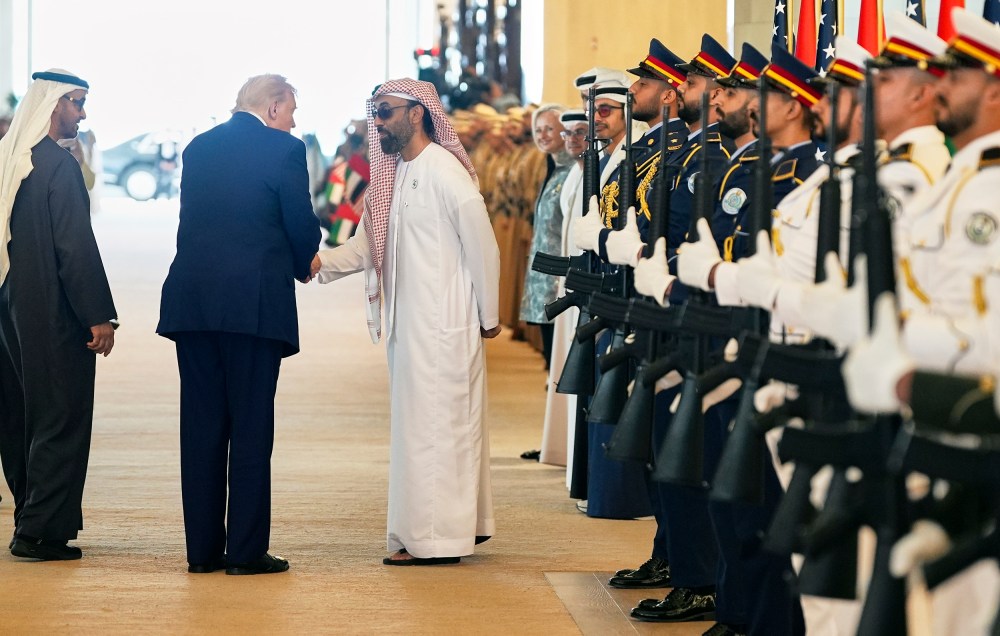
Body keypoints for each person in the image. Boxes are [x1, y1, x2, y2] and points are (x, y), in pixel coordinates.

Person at [311, 78, 501, 565]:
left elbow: (483, 245)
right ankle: (447, 528)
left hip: (444, 324)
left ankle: (436, 540)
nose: (377, 122)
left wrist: (489, 314)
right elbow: (365, 247)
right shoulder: (392, 175)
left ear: (417, 113)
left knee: (438, 431)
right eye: (375, 112)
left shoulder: (444, 171)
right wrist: (315, 263)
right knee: (419, 432)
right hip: (408, 327)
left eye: (386, 112)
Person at [156, 74, 320, 575]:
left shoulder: (198, 147)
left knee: (201, 428)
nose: (293, 123)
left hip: (193, 303)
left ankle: (203, 551)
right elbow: (300, 222)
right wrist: (305, 261)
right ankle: (246, 553)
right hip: (253, 306)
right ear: (272, 107)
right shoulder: (285, 150)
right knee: (250, 429)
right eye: (291, 111)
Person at [0, 69, 117, 561]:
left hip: (11, 309)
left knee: (20, 416)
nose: (82, 113)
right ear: (54, 104)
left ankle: (27, 517)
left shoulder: (11, 161)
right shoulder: (57, 167)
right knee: (60, 415)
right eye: (77, 102)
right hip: (53, 311)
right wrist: (98, 315)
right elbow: (75, 248)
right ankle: (40, 532)